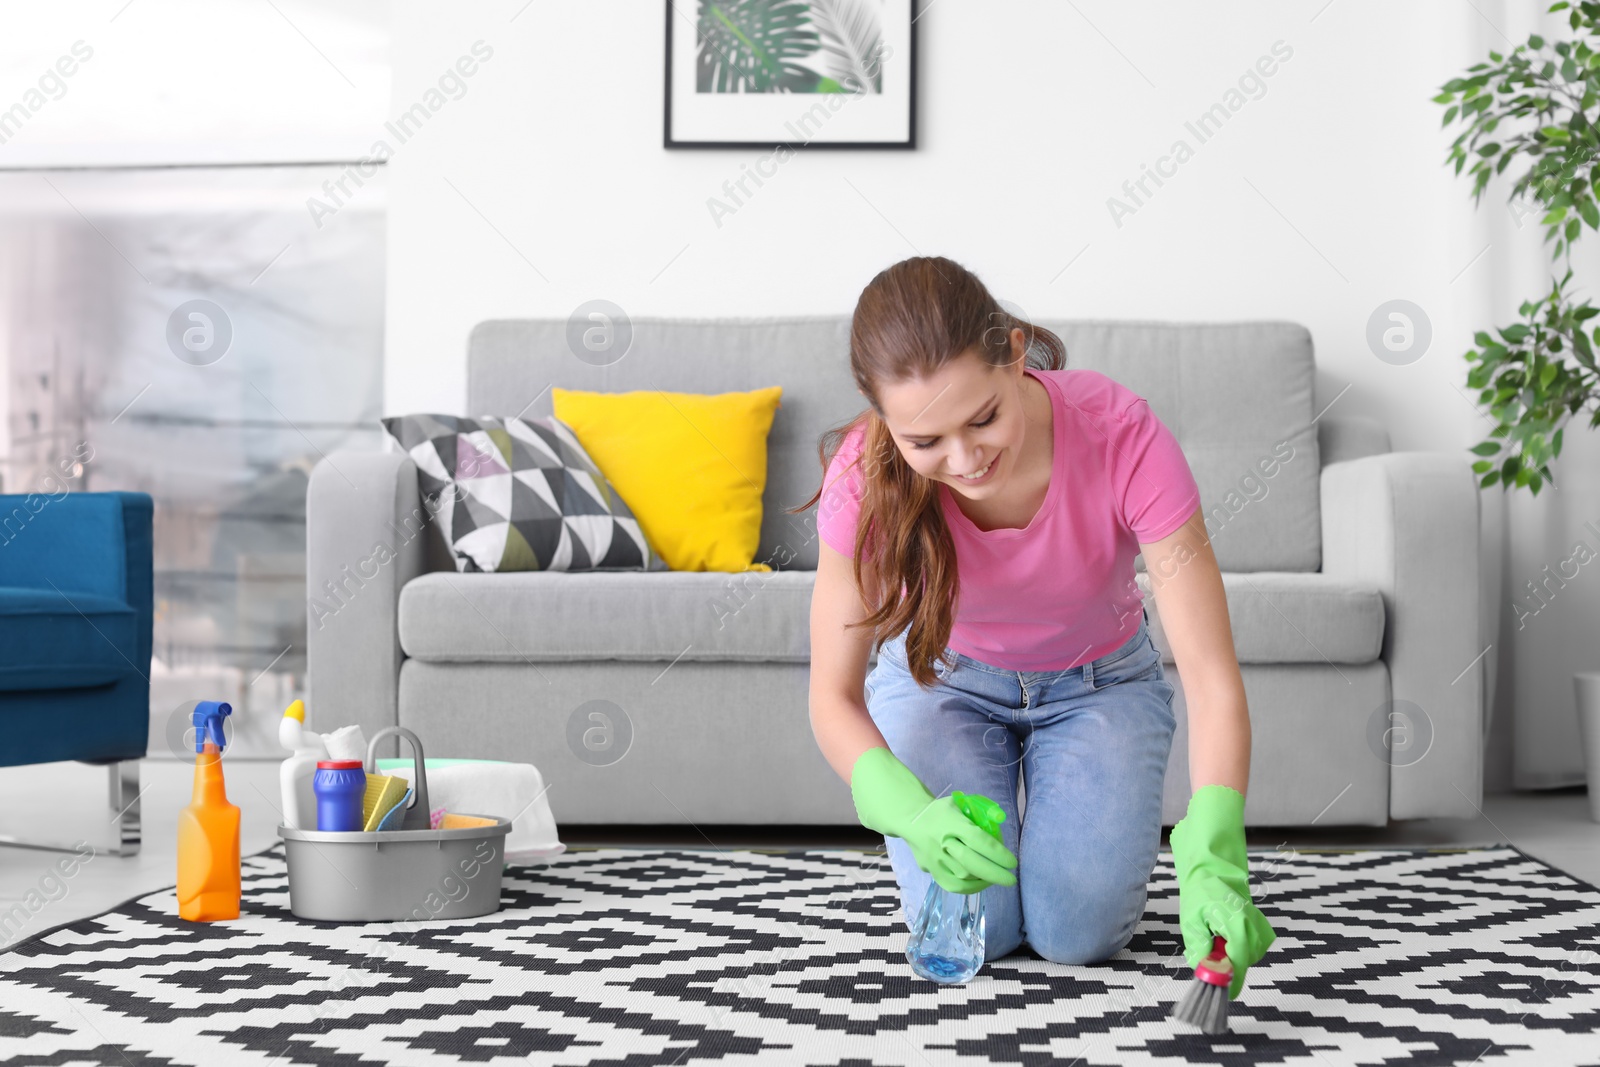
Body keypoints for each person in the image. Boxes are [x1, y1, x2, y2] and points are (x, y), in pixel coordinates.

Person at [792, 255, 1276, 1000]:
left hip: (1099, 685)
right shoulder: (865, 475)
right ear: (884, 418)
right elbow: (832, 696)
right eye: (926, 441)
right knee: (975, 928)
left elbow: (1211, 677)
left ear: (1015, 353)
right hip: (940, 683)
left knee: (1075, 935)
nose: (965, 458)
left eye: (983, 417)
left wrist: (1214, 853)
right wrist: (907, 808)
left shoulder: (1120, 434)